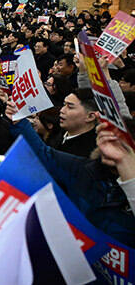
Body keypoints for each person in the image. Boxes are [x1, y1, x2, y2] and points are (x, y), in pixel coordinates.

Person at [8, 103, 135, 246]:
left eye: (120, 145)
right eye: (107, 140)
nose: (110, 148)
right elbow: (45, 155)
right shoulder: (83, 170)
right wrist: (20, 122)